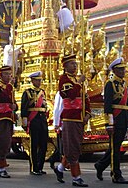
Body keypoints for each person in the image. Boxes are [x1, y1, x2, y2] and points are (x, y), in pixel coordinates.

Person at [53, 54, 91, 187]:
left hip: (79, 118)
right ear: (65, 66)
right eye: (72, 64)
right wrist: (79, 82)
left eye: (75, 63)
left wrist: (87, 113)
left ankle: (60, 169)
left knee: (75, 146)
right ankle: (76, 177)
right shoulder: (64, 80)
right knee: (72, 147)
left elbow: (85, 98)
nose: (75, 66)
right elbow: (71, 94)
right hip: (70, 118)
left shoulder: (75, 80)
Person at [94, 57, 128, 184]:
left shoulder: (124, 84)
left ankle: (100, 165)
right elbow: (107, 105)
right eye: (120, 69)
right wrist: (109, 123)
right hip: (115, 119)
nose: (123, 71)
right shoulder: (110, 84)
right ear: (114, 70)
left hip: (123, 119)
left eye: (123, 69)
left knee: (115, 147)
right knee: (115, 149)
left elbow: (126, 104)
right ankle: (116, 174)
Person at [0, 65, 17, 178]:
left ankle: (0, 162)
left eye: (9, 74)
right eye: (6, 74)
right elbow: (0, 97)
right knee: (1, 141)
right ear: (1, 75)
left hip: (9, 117)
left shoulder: (10, 87)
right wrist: (9, 86)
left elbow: (12, 100)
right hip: (0, 117)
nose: (8, 76)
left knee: (7, 141)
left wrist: (14, 106)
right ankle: (1, 167)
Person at [21, 71, 49, 175]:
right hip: (33, 120)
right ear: (32, 80)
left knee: (43, 144)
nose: (39, 82)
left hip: (42, 120)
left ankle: (40, 166)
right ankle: (34, 167)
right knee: (34, 144)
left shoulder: (43, 92)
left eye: (40, 80)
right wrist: (24, 123)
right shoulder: (27, 92)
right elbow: (24, 108)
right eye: (37, 80)